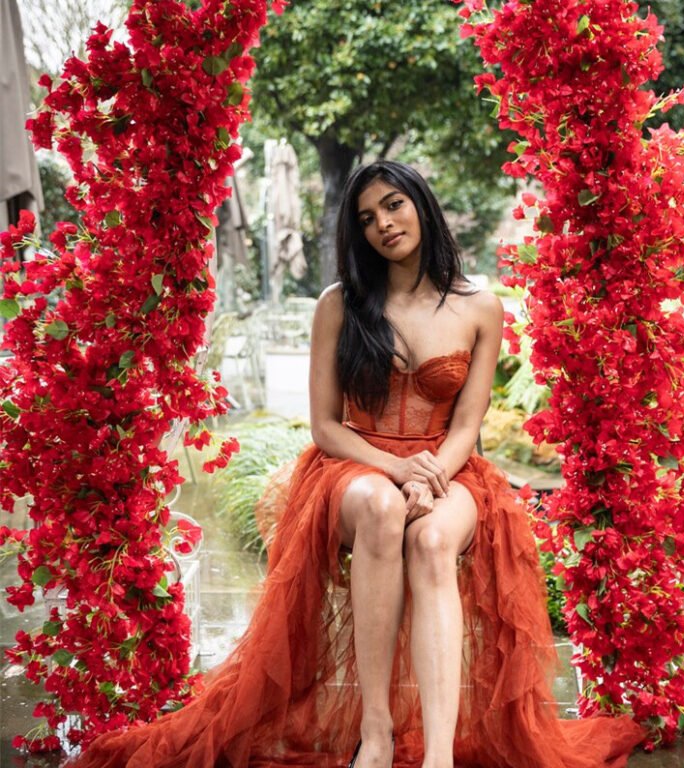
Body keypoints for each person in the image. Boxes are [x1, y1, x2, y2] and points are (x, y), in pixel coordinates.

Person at [70, 161, 646, 768]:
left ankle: (440, 756)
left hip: (448, 468)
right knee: (380, 506)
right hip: (355, 463)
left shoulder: (482, 306)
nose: (383, 225)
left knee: (430, 542)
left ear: (421, 204)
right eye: (367, 218)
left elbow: (468, 428)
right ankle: (375, 732)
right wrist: (398, 472)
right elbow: (325, 426)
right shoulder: (339, 305)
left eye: (394, 205)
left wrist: (432, 477)